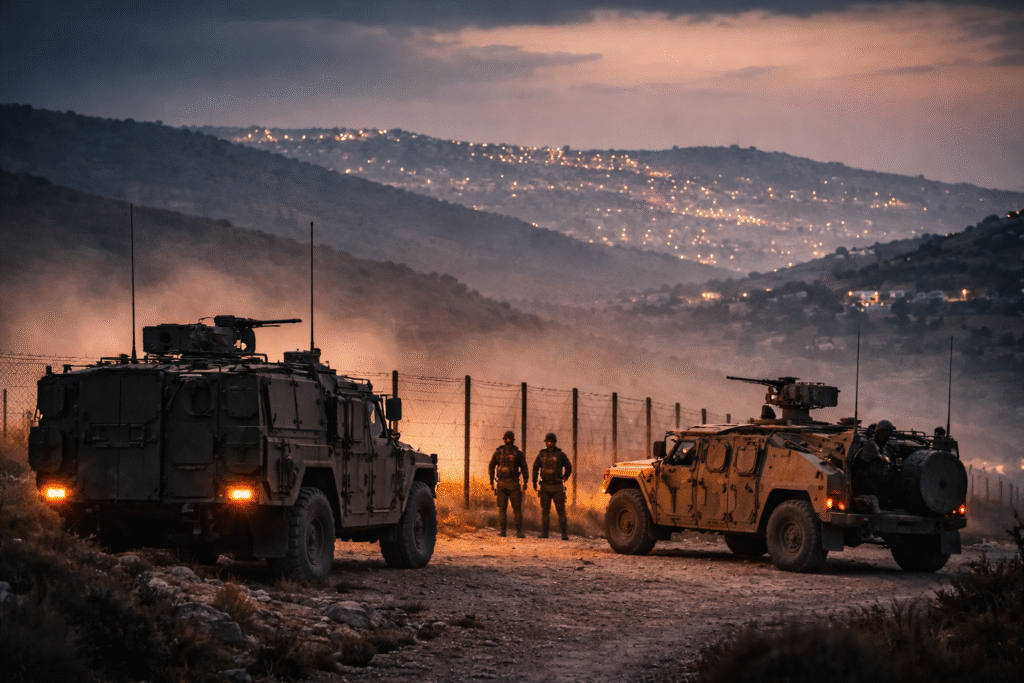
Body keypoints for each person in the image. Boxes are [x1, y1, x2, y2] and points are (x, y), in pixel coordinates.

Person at [531, 433, 573, 540]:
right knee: (551, 511)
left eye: (550, 441)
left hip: (552, 487)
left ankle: (559, 534)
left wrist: (565, 477)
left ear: (552, 442)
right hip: (551, 487)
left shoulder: (547, 455)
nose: (549, 443)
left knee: (556, 511)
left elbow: (569, 467)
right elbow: (535, 469)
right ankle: (554, 534)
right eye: (548, 441)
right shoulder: (557, 455)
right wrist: (535, 483)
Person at [488, 430, 529, 538]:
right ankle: (519, 531)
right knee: (517, 509)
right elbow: (524, 467)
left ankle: (503, 531)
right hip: (513, 484)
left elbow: (491, 466)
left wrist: (491, 481)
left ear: (505, 440)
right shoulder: (518, 453)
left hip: (501, 484)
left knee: (502, 509)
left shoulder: (498, 452)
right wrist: (526, 481)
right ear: (512, 440)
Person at [853, 419, 895, 514]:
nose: (887, 436)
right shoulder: (871, 444)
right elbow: (866, 462)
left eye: (889, 433)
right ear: (879, 432)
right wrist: (882, 458)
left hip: (881, 481)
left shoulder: (885, 447)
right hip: (869, 480)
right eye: (885, 432)